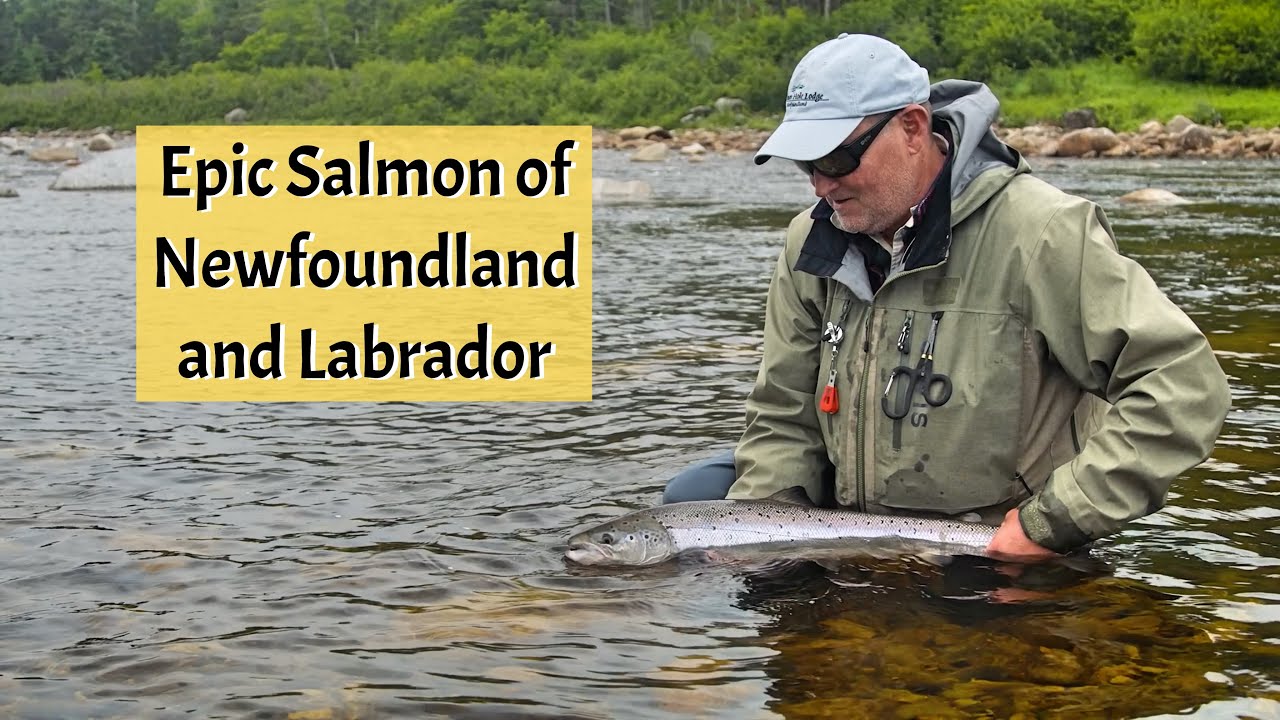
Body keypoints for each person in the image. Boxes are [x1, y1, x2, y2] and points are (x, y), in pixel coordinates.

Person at [663, 34, 1231, 561]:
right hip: (850, 522)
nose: (820, 184)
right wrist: (771, 547)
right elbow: (783, 411)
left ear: (913, 128)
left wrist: (1054, 521)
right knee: (692, 498)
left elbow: (1182, 383)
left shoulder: (1041, 233)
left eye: (835, 159)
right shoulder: (807, 244)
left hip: (988, 536)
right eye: (804, 163)